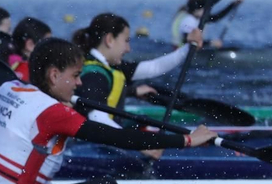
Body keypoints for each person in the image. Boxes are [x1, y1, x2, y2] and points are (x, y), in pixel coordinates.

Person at [0, 38, 215, 184]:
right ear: (55, 75)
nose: (80, 84)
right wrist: (186, 140)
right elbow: (120, 138)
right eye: (76, 75)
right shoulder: (54, 113)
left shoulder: (9, 87)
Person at [74, 12, 202, 131]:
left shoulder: (109, 66)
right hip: (92, 147)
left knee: (142, 121)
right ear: (109, 40)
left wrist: (189, 48)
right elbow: (97, 119)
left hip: (106, 138)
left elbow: (154, 67)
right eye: (126, 41)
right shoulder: (94, 75)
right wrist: (138, 145)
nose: (128, 49)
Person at [168, 0, 240, 48]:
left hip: (192, 49)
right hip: (182, 50)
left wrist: (233, 4)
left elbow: (216, 17)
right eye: (204, 8)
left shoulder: (198, 18)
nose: (207, 11)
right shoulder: (189, 20)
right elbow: (188, 40)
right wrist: (211, 43)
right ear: (196, 10)